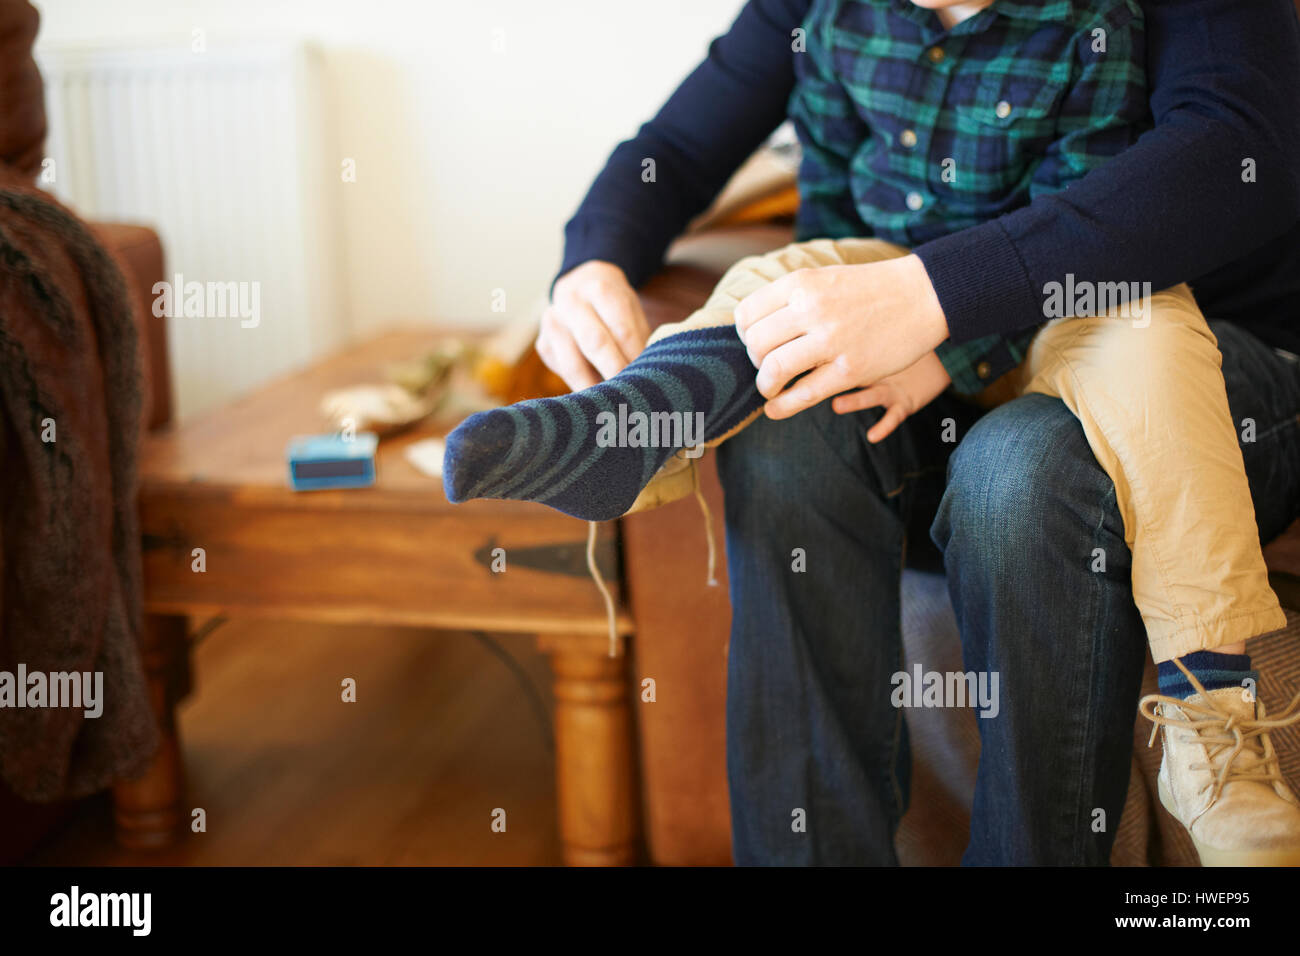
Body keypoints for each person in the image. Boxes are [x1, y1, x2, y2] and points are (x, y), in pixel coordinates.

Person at [461, 0, 1300, 864]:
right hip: (915, 334)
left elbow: (1235, 154)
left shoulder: (1098, 28)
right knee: (790, 409)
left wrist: (940, 308)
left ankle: (1200, 736)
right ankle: (650, 419)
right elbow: (673, 149)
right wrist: (591, 261)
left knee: (1025, 469)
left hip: (1176, 346)